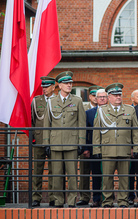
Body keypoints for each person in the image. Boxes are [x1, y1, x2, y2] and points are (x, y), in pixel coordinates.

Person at [93, 83, 138, 208]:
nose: (118, 97)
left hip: (124, 149)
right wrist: (96, 149)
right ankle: (107, 201)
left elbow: (135, 130)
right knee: (107, 178)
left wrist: (136, 147)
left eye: (119, 95)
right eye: (115, 95)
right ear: (109, 97)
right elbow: (96, 132)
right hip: (107, 150)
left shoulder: (130, 110)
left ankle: (123, 201)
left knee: (124, 179)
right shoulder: (102, 111)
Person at [43, 71, 86, 207]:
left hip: (72, 143)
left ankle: (72, 200)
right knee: (56, 175)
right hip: (55, 143)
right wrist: (46, 143)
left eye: (70, 83)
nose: (69, 85)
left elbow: (81, 123)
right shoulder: (51, 102)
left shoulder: (77, 101)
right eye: (66, 83)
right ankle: (58, 200)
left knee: (72, 175)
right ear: (59, 85)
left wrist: (81, 143)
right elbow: (46, 124)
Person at [31, 76, 56, 207]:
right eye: (43, 87)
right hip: (39, 140)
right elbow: (32, 120)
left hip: (53, 140)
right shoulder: (36, 101)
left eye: (47, 87)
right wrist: (33, 138)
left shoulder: (57, 100)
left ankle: (53, 197)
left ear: (53, 87)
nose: (44, 89)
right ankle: (36, 197)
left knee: (54, 170)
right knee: (37, 170)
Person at [77, 85, 103, 206]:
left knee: (104, 174)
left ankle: (104, 198)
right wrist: (85, 148)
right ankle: (86, 197)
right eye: (94, 95)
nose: (97, 98)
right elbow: (85, 131)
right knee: (86, 172)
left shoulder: (109, 109)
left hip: (106, 147)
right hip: (91, 147)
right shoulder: (87, 111)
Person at [83, 88, 108, 207]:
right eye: (100, 97)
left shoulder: (112, 111)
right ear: (96, 99)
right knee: (96, 175)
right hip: (94, 149)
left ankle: (108, 199)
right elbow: (86, 132)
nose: (102, 99)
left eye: (104, 97)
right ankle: (97, 199)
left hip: (109, 148)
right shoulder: (89, 113)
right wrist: (86, 148)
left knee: (108, 175)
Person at [128, 88, 138, 204]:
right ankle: (130, 196)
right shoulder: (128, 110)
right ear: (132, 98)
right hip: (130, 147)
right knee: (130, 173)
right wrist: (131, 147)